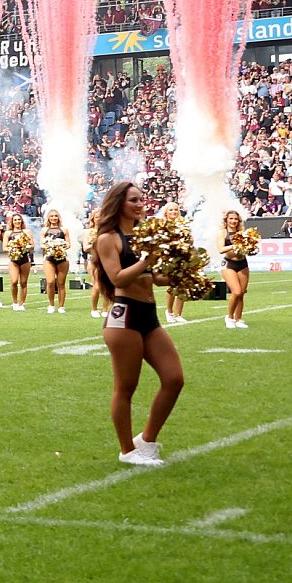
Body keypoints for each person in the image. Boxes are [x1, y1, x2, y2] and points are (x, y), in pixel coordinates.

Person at [93, 180, 185, 467]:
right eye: (133, 200)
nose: (140, 204)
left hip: (149, 315)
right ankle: (127, 451)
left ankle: (146, 441)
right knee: (126, 387)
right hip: (125, 317)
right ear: (119, 203)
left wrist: (184, 272)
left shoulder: (146, 234)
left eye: (141, 199)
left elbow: (156, 278)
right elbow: (117, 278)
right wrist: (147, 259)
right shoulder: (108, 238)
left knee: (174, 379)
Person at [217, 210, 252, 329]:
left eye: (235, 219)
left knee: (241, 293)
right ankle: (229, 317)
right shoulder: (223, 232)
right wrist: (234, 245)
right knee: (236, 291)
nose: (233, 221)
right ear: (226, 220)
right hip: (229, 264)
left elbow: (248, 248)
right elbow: (221, 249)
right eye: (231, 218)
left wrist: (250, 247)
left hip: (243, 263)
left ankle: (239, 319)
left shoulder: (242, 233)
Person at [159, 202, 188, 324]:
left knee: (183, 285)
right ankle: (169, 311)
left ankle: (178, 314)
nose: (173, 212)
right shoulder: (162, 225)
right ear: (166, 212)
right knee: (172, 285)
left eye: (176, 210)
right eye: (171, 210)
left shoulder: (183, 224)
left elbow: (189, 240)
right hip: (168, 258)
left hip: (182, 257)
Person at [40, 209, 71, 315]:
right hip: (49, 258)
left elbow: (68, 244)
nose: (54, 218)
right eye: (52, 216)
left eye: (56, 216)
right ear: (48, 218)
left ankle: (61, 306)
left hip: (62, 259)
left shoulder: (64, 229)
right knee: (50, 282)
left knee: (61, 283)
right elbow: (41, 244)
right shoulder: (44, 230)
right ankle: (51, 305)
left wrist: (60, 246)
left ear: (59, 218)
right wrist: (49, 246)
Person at [4, 213, 34, 312]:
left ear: (22, 221)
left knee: (23, 282)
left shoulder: (27, 232)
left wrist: (24, 247)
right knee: (14, 281)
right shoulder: (8, 233)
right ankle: (14, 302)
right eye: (15, 220)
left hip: (24, 259)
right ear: (12, 222)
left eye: (19, 219)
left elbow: (32, 245)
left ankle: (21, 303)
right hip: (13, 260)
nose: (17, 221)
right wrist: (14, 248)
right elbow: (4, 247)